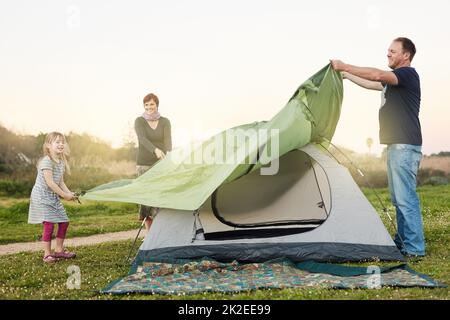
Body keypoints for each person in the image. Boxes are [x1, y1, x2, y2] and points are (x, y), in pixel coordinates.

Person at [331, 37, 425, 257]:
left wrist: (345, 65)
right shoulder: (393, 83)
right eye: (388, 51)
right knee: (398, 198)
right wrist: (345, 75)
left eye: (393, 51)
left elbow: (376, 75)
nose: (388, 54)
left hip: (405, 146)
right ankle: (404, 242)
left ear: (406, 56)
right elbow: (371, 82)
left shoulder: (407, 74)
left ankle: (414, 248)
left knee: (406, 198)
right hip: (396, 145)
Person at [28, 132, 77, 263]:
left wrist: (70, 193)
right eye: (57, 142)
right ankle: (47, 254)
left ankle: (59, 250)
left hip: (53, 196)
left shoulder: (61, 161)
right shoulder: (46, 161)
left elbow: (61, 182)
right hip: (42, 197)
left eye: (63, 142)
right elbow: (50, 183)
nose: (61, 144)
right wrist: (64, 195)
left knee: (64, 222)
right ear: (48, 145)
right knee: (49, 224)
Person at [134, 93, 172, 232]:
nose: (149, 107)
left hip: (160, 165)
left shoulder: (165, 121)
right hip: (144, 163)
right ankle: (149, 234)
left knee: (159, 196)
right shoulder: (139, 121)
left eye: (152, 104)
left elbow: (168, 140)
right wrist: (155, 149)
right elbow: (142, 139)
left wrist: (168, 155)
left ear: (157, 105)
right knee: (146, 198)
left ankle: (160, 233)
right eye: (146, 105)